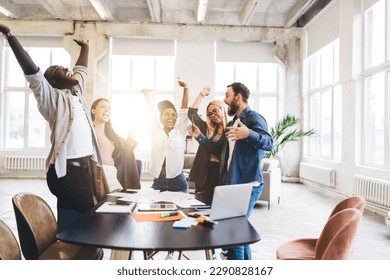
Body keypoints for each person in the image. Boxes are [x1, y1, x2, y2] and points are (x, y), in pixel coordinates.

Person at [0, 23, 103, 232]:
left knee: (73, 218)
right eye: (62, 70)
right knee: (89, 219)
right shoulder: (51, 99)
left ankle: (70, 250)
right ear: (53, 81)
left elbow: (81, 69)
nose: (69, 70)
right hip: (68, 171)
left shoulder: (76, 94)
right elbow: (31, 70)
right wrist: (9, 34)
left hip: (86, 169)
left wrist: (85, 48)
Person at [188, 82, 273, 260]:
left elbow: (269, 143)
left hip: (248, 185)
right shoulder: (233, 122)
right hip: (233, 185)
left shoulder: (254, 118)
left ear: (238, 97)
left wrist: (248, 133)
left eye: (227, 96)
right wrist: (199, 136)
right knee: (238, 230)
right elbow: (216, 148)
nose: (225, 101)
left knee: (232, 232)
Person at [141, 80, 189, 193]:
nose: (170, 117)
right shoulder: (155, 131)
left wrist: (186, 88)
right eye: (166, 114)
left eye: (173, 115)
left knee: (179, 210)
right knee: (157, 210)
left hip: (178, 181)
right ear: (161, 117)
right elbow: (150, 113)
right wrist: (146, 96)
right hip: (159, 181)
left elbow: (184, 110)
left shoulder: (180, 132)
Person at [187, 87, 229, 205]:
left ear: (222, 108)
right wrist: (201, 95)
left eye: (215, 111)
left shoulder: (230, 129)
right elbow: (191, 114)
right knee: (201, 206)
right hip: (203, 172)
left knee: (216, 206)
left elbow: (216, 149)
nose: (212, 115)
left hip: (219, 174)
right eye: (210, 114)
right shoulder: (207, 128)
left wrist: (200, 137)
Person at [91, 98, 141, 192]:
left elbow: (124, 149)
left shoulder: (110, 133)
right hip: (99, 173)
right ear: (93, 111)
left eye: (109, 108)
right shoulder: (90, 129)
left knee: (117, 203)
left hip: (112, 173)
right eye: (103, 107)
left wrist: (130, 137)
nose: (107, 110)